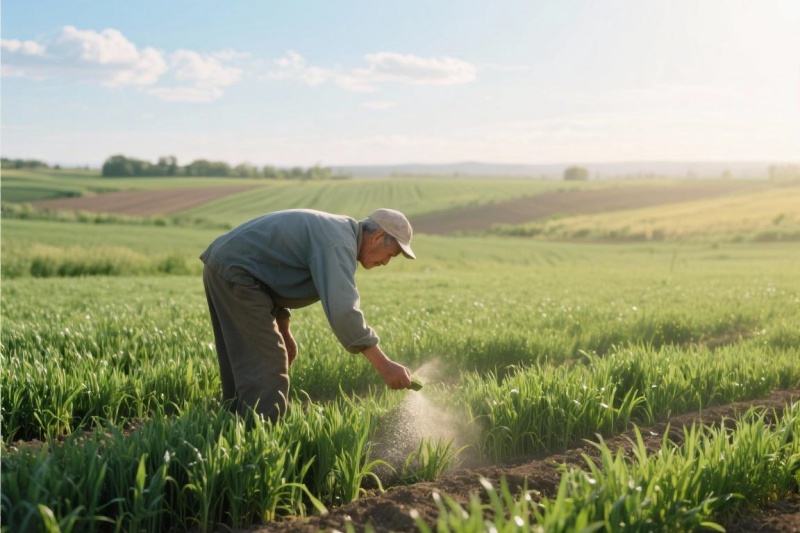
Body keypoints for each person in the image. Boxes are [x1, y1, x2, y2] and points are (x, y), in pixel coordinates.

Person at [200, 208, 415, 422]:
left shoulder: (338, 233)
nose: (386, 262)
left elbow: (276, 273)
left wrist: (284, 329)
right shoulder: (338, 243)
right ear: (378, 237)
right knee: (267, 365)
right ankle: (260, 439)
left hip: (227, 265)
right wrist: (384, 365)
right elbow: (344, 313)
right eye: (391, 254)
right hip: (237, 272)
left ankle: (233, 425)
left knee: (244, 359)